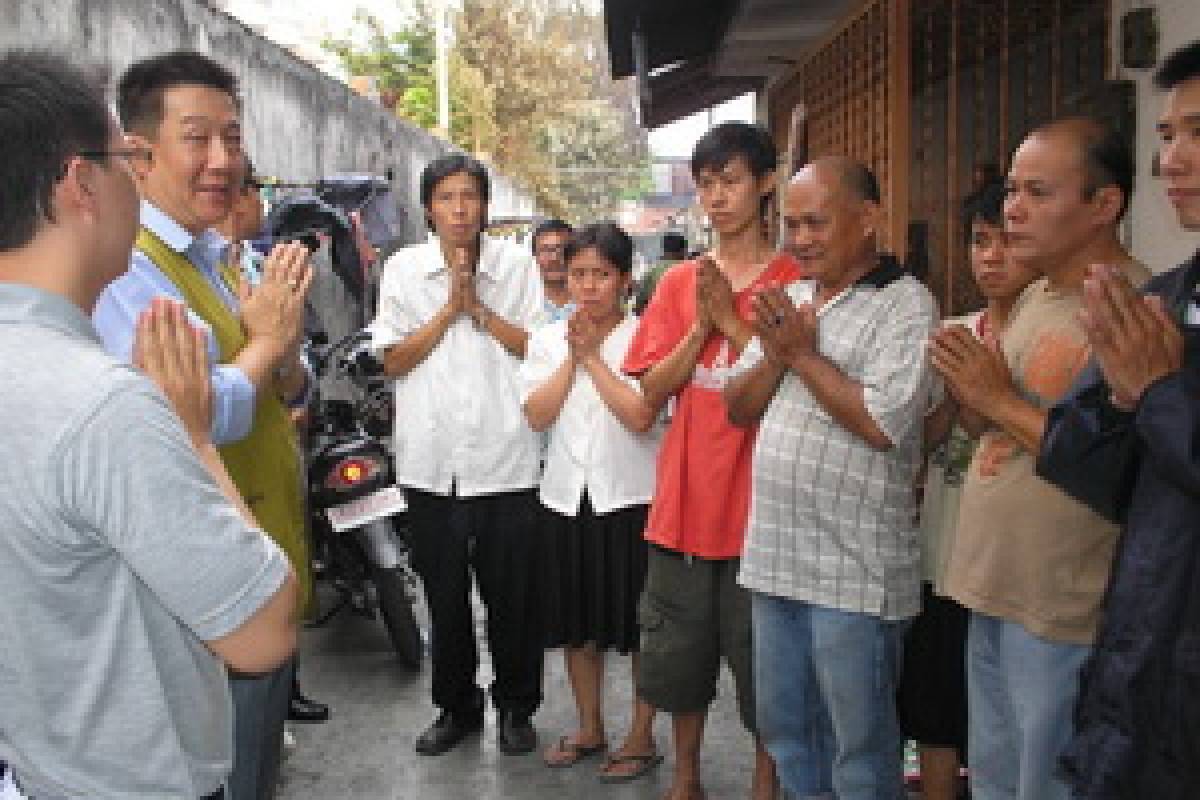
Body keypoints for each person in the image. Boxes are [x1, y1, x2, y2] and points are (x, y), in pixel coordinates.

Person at [0, 49, 297, 800]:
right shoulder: (103, 398)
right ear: (81, 184)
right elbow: (263, 635)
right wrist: (194, 436)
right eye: (123, 156)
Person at [92, 51, 314, 800]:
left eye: (233, 137)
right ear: (139, 152)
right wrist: (265, 348)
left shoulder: (227, 255)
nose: (222, 161)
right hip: (205, 599)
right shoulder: (128, 270)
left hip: (263, 559)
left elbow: (290, 381)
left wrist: (282, 357)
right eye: (198, 138)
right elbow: (174, 418)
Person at [930, 118, 1150, 800]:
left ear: (1103, 205)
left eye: (1037, 192)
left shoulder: (1131, 307)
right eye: (1012, 191)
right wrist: (969, 388)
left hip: (1060, 603)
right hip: (993, 584)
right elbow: (993, 426)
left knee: (1045, 782)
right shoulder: (1033, 298)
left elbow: (1108, 462)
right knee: (993, 775)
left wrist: (994, 398)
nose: (1012, 210)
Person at [723, 157, 938, 799]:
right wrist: (781, 355)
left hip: (855, 576)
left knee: (861, 750)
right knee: (788, 733)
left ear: (869, 217)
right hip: (776, 561)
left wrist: (800, 356)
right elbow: (738, 404)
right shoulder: (790, 300)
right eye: (791, 225)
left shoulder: (906, 305)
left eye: (815, 222)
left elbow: (882, 424)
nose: (800, 239)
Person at [1036, 40, 1200, 798]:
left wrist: (1160, 396)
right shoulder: (1164, 297)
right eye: (1168, 135)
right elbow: (1086, 468)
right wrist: (1116, 395)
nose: (1173, 159)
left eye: (1199, 134)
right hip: (1140, 662)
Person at [621, 121, 799, 800]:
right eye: (705, 183)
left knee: (768, 673)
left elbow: (795, 374)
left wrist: (730, 321)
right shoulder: (676, 284)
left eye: (729, 180)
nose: (716, 197)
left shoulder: (793, 281)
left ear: (764, 183)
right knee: (678, 662)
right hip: (684, 507)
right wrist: (702, 324)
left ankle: (765, 788)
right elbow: (651, 388)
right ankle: (686, 779)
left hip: (766, 511)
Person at [370, 153, 546, 757]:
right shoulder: (403, 270)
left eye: (469, 196)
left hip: (507, 461)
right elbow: (390, 360)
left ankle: (517, 707)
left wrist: (478, 308)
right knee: (444, 598)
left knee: (513, 599)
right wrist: (448, 308)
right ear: (428, 207)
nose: (459, 209)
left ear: (485, 205)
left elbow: (535, 349)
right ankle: (456, 706)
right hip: (430, 465)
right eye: (446, 197)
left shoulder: (517, 267)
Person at [899, 180, 1038, 800]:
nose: (990, 257)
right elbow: (916, 445)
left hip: (1015, 570)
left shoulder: (1047, 338)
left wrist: (995, 398)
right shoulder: (950, 333)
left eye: (1007, 242)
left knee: (1007, 720)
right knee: (936, 711)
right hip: (941, 558)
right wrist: (957, 405)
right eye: (981, 242)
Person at [520, 222, 662, 781]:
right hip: (564, 498)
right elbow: (536, 414)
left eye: (601, 275)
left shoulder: (646, 337)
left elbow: (640, 415)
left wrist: (596, 360)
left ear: (624, 281)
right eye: (578, 273)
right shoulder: (546, 339)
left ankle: (640, 736)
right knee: (577, 626)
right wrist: (573, 358)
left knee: (640, 628)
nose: (588, 286)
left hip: (631, 498)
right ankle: (590, 726)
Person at [214, 159, 330, 729]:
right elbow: (197, 411)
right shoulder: (158, 274)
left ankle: (287, 687)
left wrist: (286, 365)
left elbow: (298, 368)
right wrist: (267, 348)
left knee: (285, 565)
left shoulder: (261, 267)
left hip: (275, 451)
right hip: (226, 475)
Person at [530, 217, 575, 326]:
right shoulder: (523, 301)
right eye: (545, 250)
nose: (554, 258)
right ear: (534, 256)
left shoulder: (590, 302)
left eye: (562, 250)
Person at [633, 231, 687, 315]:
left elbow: (639, 307)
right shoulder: (692, 271)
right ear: (683, 251)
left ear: (664, 249)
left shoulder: (652, 272)